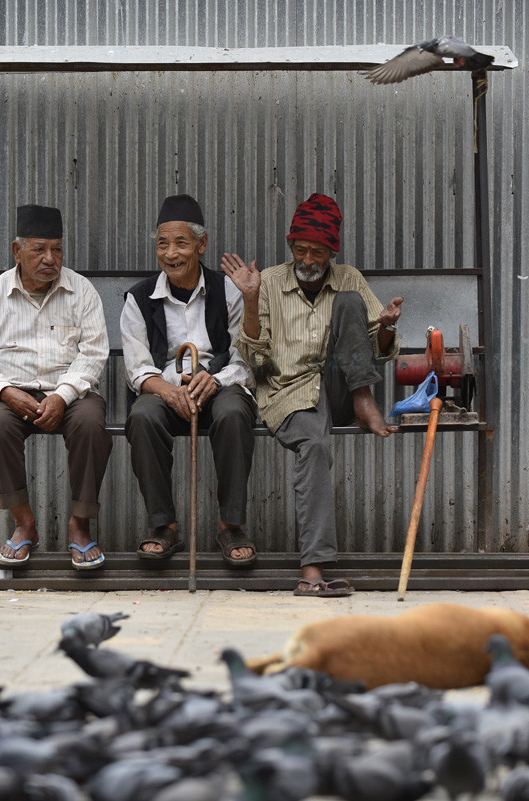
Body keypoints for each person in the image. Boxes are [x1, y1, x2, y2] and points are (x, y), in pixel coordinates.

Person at [221, 193, 403, 598]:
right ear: (291, 248)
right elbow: (255, 356)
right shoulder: (266, 282)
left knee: (351, 302)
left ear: (331, 252)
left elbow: (379, 346)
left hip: (341, 385)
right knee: (316, 445)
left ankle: (362, 399)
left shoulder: (349, 278)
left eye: (316, 252)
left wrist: (387, 326)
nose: (306, 259)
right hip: (289, 392)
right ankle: (312, 572)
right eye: (300, 249)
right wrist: (250, 299)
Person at [0, 204, 112, 570]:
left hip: (70, 393)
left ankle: (79, 525)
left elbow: (94, 355)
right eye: (39, 249)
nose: (50, 259)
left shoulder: (82, 292)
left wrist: (62, 396)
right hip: (12, 393)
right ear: (18, 251)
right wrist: (6, 392)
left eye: (57, 249)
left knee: (92, 422)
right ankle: (24, 522)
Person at [121, 194, 258, 565]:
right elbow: (137, 368)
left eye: (181, 243)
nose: (171, 253)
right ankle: (164, 527)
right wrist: (167, 390)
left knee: (233, 413)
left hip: (219, 384)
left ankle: (231, 526)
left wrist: (215, 380)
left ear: (201, 244)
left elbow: (245, 357)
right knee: (143, 416)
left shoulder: (229, 290)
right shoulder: (138, 298)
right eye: (162, 244)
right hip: (165, 389)